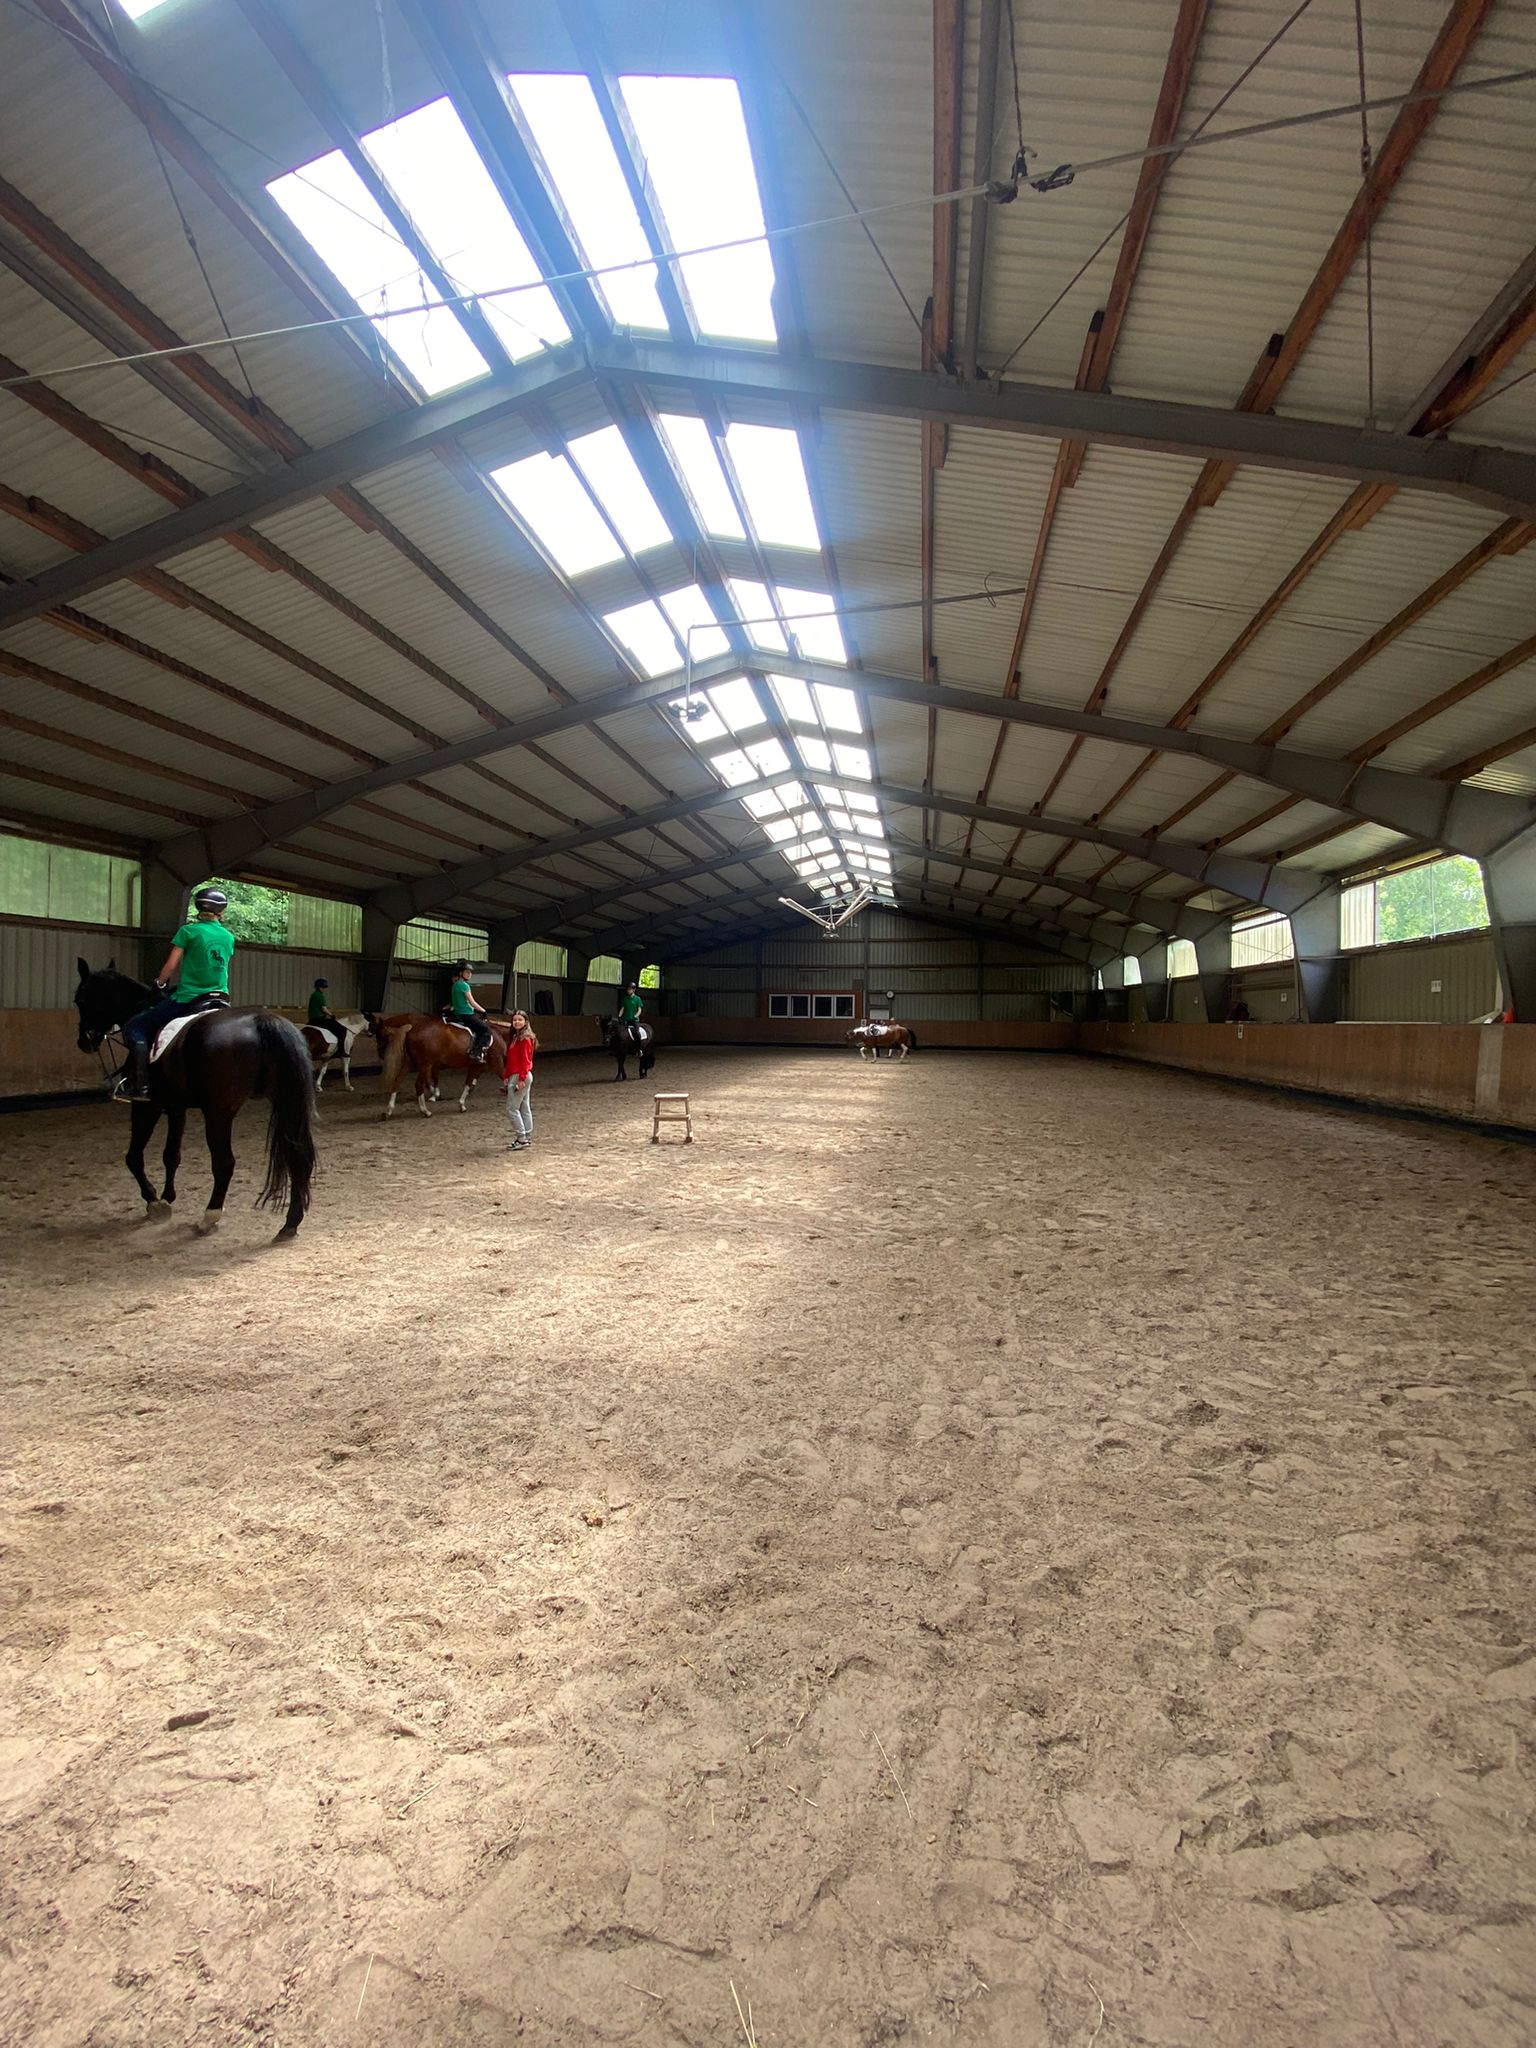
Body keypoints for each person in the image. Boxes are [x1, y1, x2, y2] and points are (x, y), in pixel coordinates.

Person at [119, 885, 236, 1102]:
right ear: (221, 910)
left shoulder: (188, 932)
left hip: (190, 997)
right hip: (220, 998)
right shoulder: (228, 937)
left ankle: (141, 1084)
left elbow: (171, 966)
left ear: (199, 907)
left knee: (135, 1026)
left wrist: (159, 983)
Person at [446, 959, 495, 1066]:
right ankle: (477, 1052)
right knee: (486, 1030)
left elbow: (454, 1003)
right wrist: (483, 1011)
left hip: (457, 1014)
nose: (470, 974)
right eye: (467, 972)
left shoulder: (455, 985)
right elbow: (472, 1002)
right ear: (461, 973)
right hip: (466, 1014)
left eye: (470, 972)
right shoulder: (464, 985)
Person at [501, 1008, 537, 1150]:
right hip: (517, 1074)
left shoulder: (525, 1039)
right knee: (524, 1107)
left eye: (520, 1020)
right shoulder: (515, 1038)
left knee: (512, 1108)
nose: (517, 1022)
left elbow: (525, 1061)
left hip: (520, 1076)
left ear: (525, 1022)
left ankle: (521, 1138)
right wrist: (506, 1075)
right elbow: (511, 1060)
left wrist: (521, 1078)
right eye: (515, 1020)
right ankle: (527, 1135)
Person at [307, 976, 344, 1053]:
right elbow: (324, 1009)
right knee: (341, 1029)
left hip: (311, 1019)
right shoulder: (320, 996)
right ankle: (341, 1050)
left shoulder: (313, 995)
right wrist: (331, 1015)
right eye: (324, 987)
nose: (325, 989)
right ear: (320, 988)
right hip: (319, 1019)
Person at [615, 979, 644, 1049]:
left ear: (634, 990)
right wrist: (619, 1016)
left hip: (634, 1020)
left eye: (629, 989)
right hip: (626, 1019)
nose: (628, 991)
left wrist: (635, 1016)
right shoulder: (625, 999)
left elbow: (639, 1010)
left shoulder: (637, 999)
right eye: (627, 989)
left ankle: (639, 1049)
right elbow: (622, 1009)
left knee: (637, 1033)